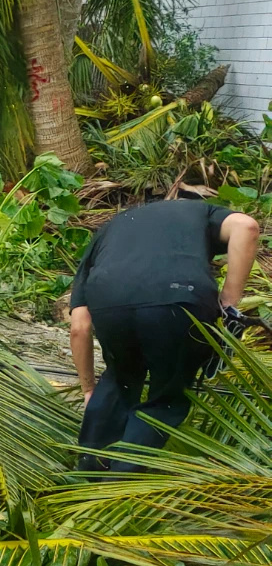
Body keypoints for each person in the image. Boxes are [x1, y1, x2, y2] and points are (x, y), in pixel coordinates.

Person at [69, 197, 260, 471]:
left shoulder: (109, 231)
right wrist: (229, 303)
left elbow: (80, 327)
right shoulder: (199, 211)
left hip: (111, 303)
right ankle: (119, 486)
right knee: (166, 398)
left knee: (120, 378)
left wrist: (89, 389)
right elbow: (247, 226)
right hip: (178, 298)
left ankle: (88, 474)